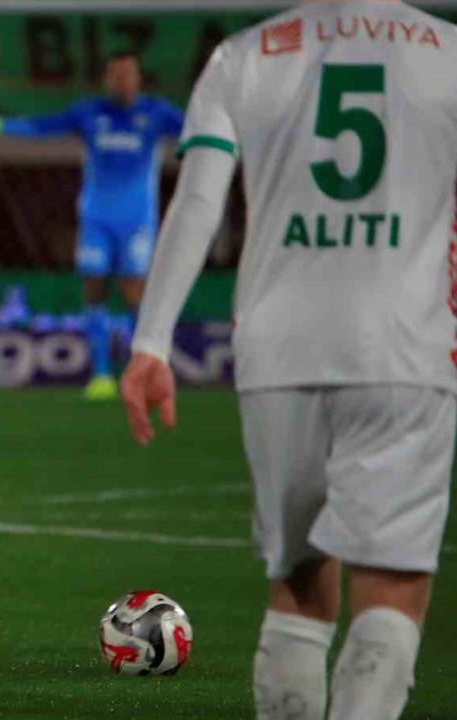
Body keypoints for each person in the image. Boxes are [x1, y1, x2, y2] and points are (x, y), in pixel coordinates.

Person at [120, 3, 457, 719]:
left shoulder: (244, 55)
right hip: (405, 346)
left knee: (299, 581)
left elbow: (198, 201)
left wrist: (151, 342)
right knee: (392, 582)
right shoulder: (446, 51)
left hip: (276, 352)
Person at [0, 53, 183, 400]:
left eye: (129, 74)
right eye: (117, 75)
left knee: (134, 292)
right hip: (96, 219)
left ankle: (142, 371)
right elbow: (42, 127)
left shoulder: (157, 113)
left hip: (137, 221)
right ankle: (101, 374)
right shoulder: (90, 112)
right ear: (107, 79)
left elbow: (199, 130)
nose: (123, 81)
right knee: (94, 288)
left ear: (138, 79)